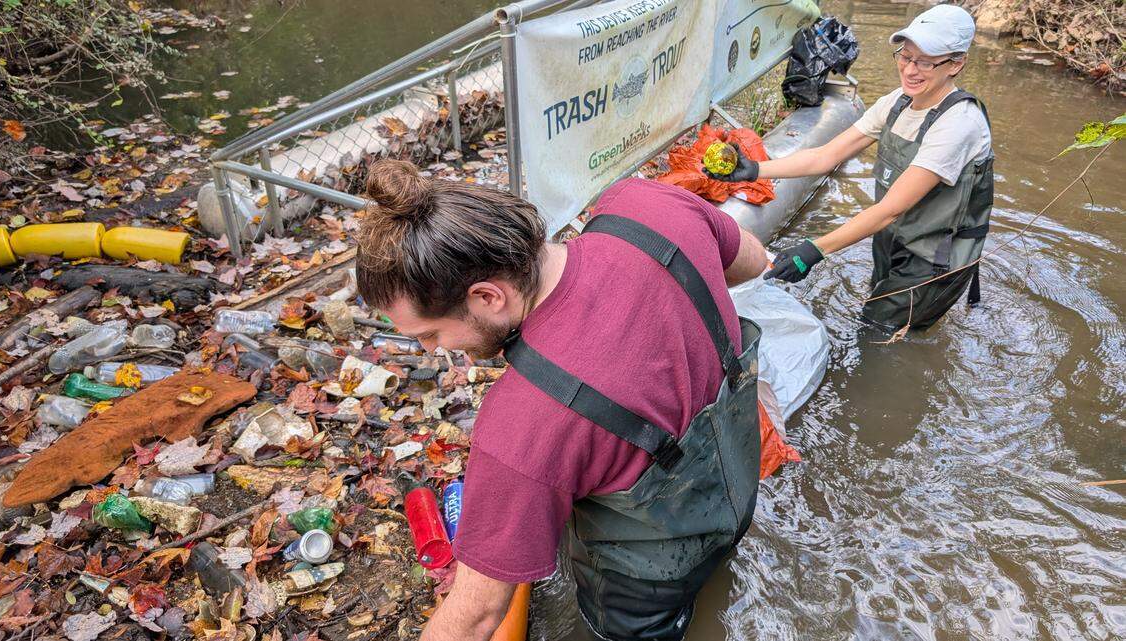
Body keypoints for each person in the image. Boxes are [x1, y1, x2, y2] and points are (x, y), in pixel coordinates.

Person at [355, 158, 771, 641]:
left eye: (429, 334)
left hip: (645, 586)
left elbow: (475, 617)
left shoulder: (522, 425)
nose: (433, 351)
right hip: (739, 487)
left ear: (488, 296)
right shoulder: (645, 203)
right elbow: (754, 259)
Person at [710, 4, 993, 331]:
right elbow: (826, 155)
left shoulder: (958, 125)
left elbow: (889, 209)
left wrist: (813, 250)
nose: (911, 70)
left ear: (956, 64)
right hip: (894, 239)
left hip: (934, 259)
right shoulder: (897, 103)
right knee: (875, 313)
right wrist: (756, 170)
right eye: (905, 56)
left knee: (877, 333)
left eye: (926, 62)